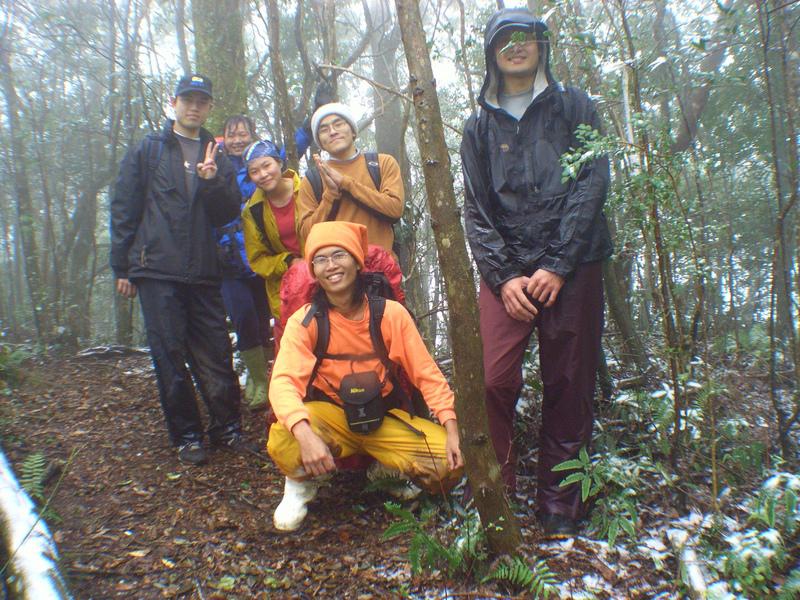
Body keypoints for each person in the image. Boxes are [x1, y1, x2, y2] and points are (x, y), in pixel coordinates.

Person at [460, 8, 613, 538]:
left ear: (542, 45)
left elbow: (592, 182)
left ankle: (561, 502)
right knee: (491, 378)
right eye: (505, 40)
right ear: (491, 53)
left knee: (569, 382)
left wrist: (558, 263)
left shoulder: (575, 106)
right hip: (507, 271)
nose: (516, 47)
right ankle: (492, 493)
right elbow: (476, 207)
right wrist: (503, 276)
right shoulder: (478, 126)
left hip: (575, 265)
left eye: (526, 37)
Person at [266, 222, 464, 532]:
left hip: (381, 419)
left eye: (339, 255)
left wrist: (451, 425)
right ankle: (301, 482)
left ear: (357, 262)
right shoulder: (304, 322)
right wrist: (305, 435)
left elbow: (426, 374)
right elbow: (283, 383)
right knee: (283, 437)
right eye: (321, 259)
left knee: (446, 464)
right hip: (331, 418)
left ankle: (384, 471)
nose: (331, 266)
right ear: (313, 271)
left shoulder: (389, 314)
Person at [110, 74, 245, 466]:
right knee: (169, 356)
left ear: (209, 107)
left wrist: (211, 181)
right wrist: (122, 266)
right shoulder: (149, 149)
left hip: (203, 270)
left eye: (202, 101)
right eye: (188, 100)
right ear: (174, 103)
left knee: (217, 351)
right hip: (157, 269)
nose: (194, 107)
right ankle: (187, 436)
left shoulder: (216, 154)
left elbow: (227, 213)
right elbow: (124, 206)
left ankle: (227, 428)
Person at [215, 115, 271, 410]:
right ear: (224, 138)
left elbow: (288, 150)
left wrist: (308, 125)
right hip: (228, 261)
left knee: (262, 319)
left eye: (243, 134)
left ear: (251, 136)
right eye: (232, 134)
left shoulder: (257, 163)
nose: (238, 140)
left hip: (259, 256)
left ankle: (263, 379)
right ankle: (258, 379)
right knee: (243, 317)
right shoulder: (215, 165)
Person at [297, 102, 404, 253]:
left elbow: (395, 209)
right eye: (324, 129)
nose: (332, 132)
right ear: (320, 142)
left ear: (353, 131)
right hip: (336, 265)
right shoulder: (312, 179)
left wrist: (346, 183)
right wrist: (330, 196)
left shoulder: (382, 163)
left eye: (338, 124)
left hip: (380, 264)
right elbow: (307, 234)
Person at [240, 139, 305, 346]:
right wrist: (288, 262)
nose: (263, 174)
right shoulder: (253, 210)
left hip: (326, 280)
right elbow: (257, 260)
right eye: (254, 171)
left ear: (279, 162)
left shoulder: (308, 189)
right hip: (287, 291)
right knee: (294, 351)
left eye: (267, 165)